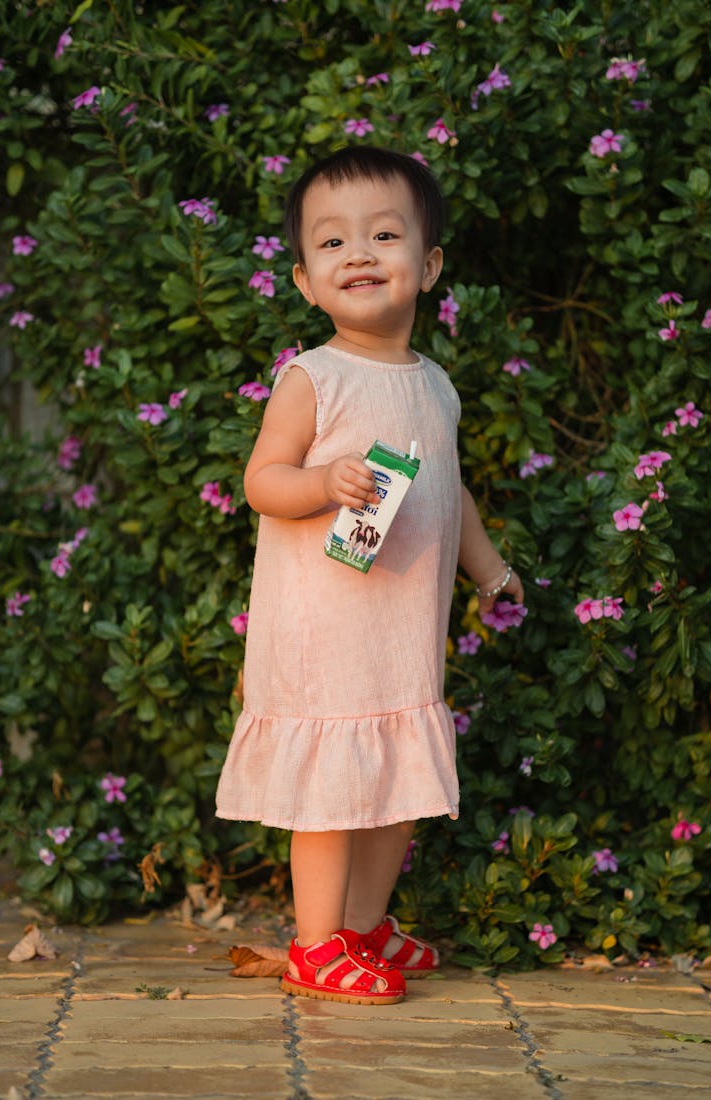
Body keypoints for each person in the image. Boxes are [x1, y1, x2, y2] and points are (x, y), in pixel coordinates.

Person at [215, 146, 524, 1005]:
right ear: (307, 281)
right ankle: (316, 945)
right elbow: (261, 481)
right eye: (333, 243)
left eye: (383, 234)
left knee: (397, 785)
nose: (359, 253)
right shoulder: (313, 377)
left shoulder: (437, 385)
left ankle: (361, 926)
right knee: (330, 785)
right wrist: (322, 484)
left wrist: (492, 570)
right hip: (323, 634)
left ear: (426, 266)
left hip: (400, 634)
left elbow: (448, 489)